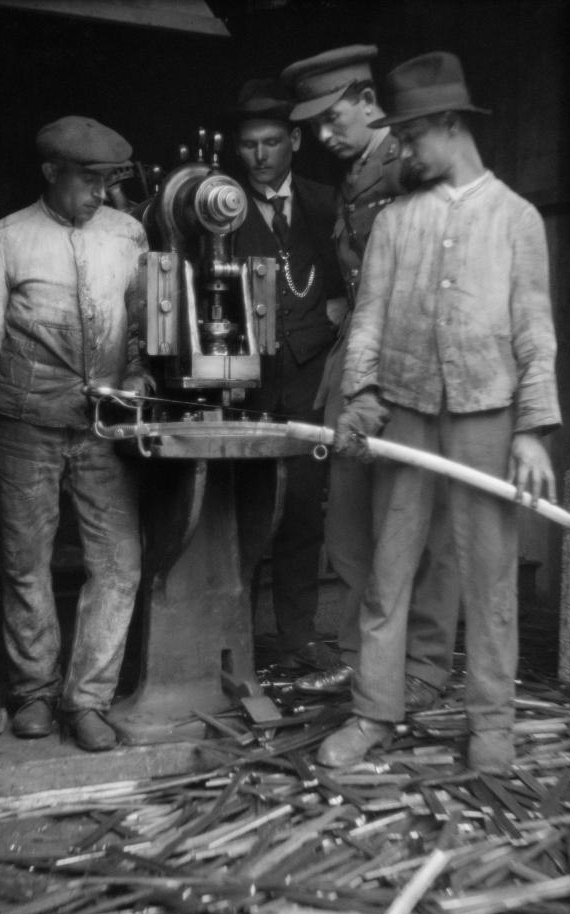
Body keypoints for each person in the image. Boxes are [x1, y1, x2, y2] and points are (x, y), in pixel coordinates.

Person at [313, 52, 561, 773]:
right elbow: (366, 320)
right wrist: (361, 396)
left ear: (450, 126)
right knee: (387, 575)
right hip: (405, 413)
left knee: (489, 580)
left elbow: (533, 332)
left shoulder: (515, 219)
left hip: (486, 413)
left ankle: (491, 722)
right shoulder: (394, 222)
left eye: (412, 135)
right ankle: (373, 712)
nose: (404, 149)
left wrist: (532, 431)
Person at [0, 115, 153, 752]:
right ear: (51, 172)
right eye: (88, 179)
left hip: (104, 428)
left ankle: (88, 700)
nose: (100, 192)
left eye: (108, 180)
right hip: (25, 425)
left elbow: (145, 325)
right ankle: (35, 693)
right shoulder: (8, 237)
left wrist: (140, 375)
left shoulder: (128, 234)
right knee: (25, 565)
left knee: (117, 566)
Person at [280, 46, 460, 709]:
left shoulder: (409, 162)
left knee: (424, 526)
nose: (322, 136)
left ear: (366, 101)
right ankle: (365, 662)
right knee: (348, 526)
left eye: (331, 118)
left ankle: (423, 667)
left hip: (412, 365)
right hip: (355, 365)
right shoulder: (356, 171)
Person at [230, 78, 345, 672]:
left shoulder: (328, 204)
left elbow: (354, 281)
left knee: (302, 512)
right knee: (242, 516)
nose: (260, 155)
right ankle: (237, 646)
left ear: (294, 141)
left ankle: (298, 639)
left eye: (272, 142)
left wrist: (342, 309)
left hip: (309, 380)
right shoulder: (217, 204)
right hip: (244, 384)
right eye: (249, 144)